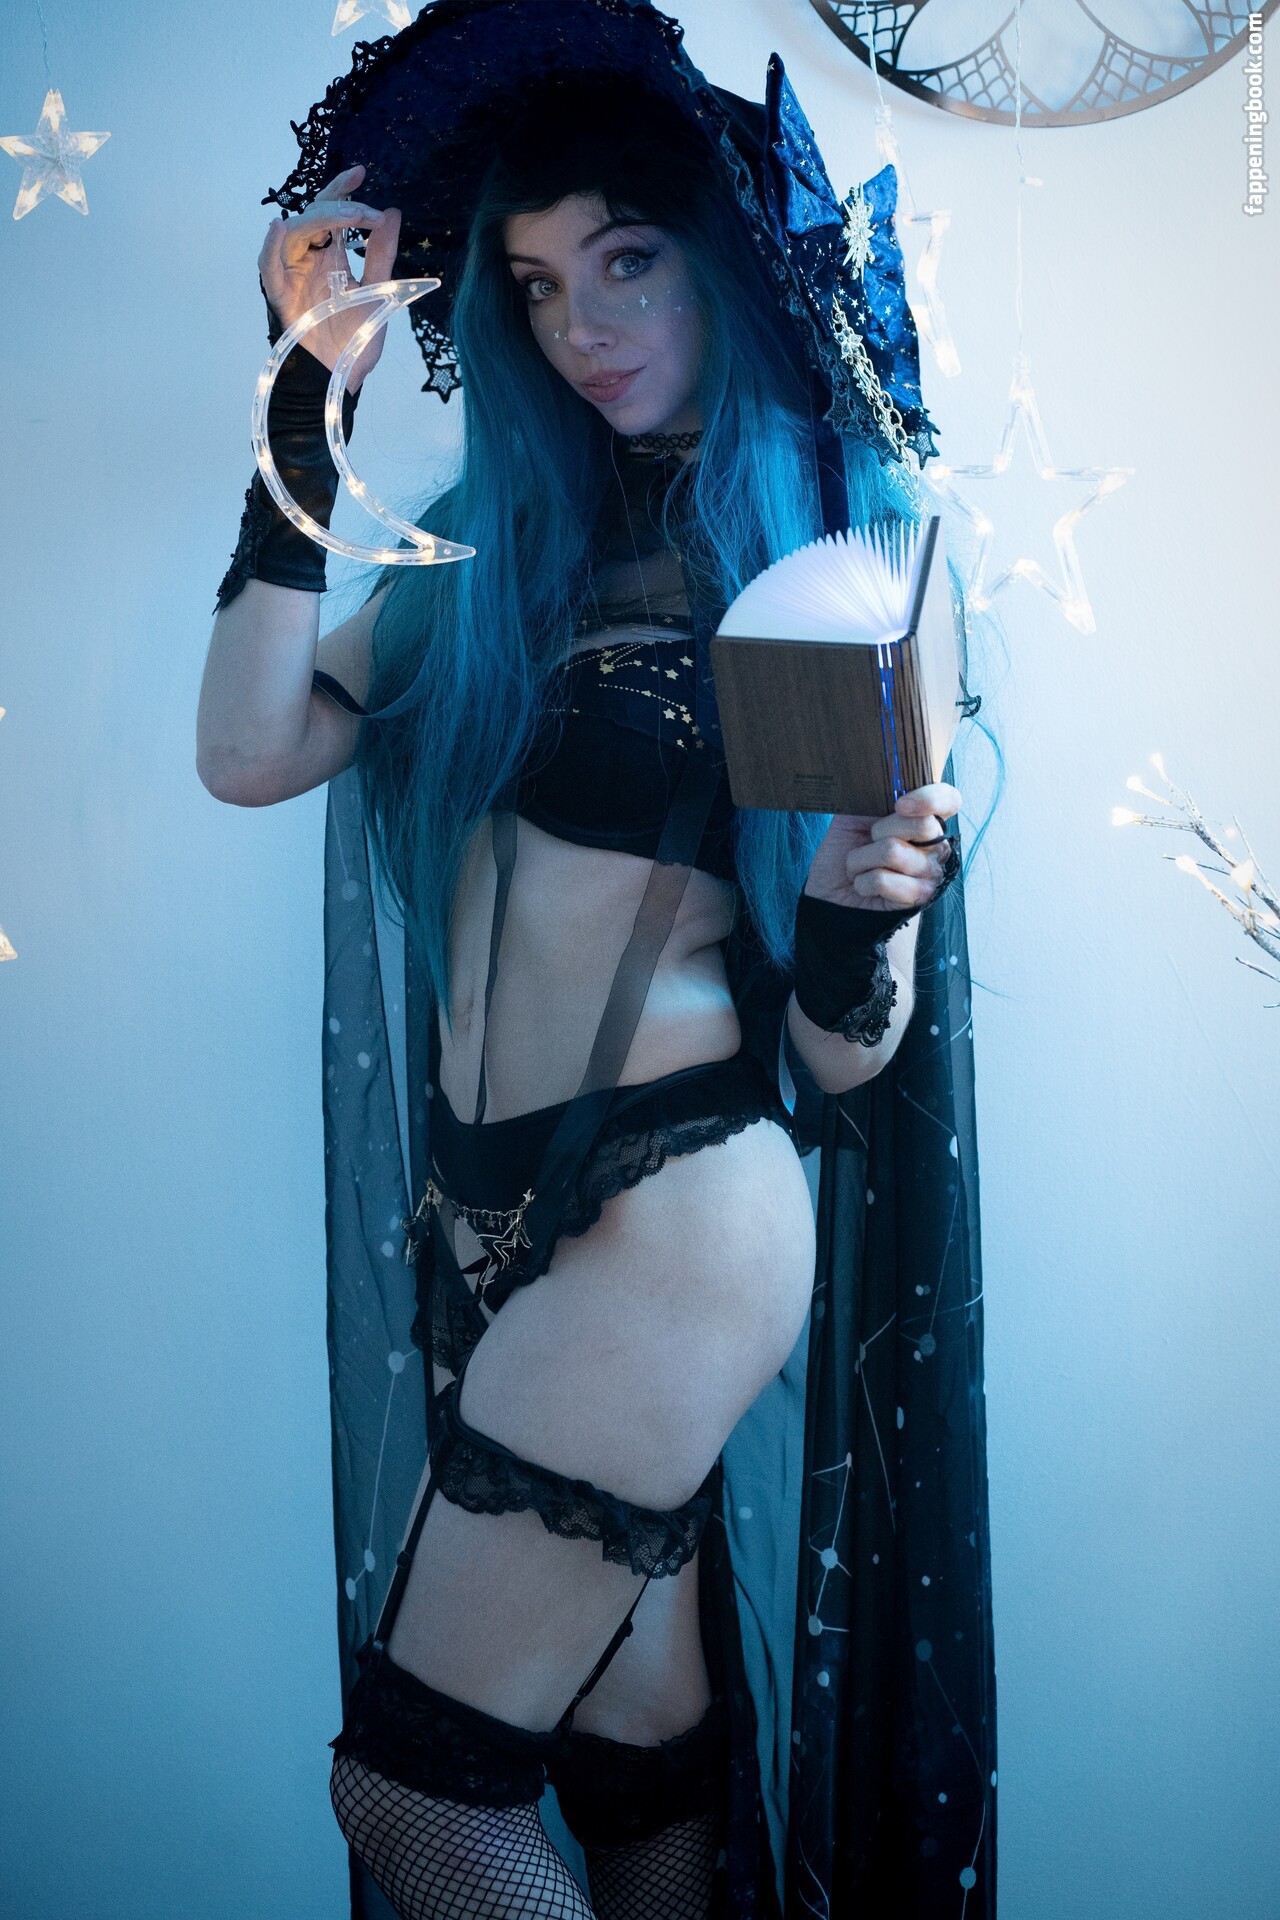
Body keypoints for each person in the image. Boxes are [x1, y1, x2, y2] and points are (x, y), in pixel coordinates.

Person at [198, 6, 997, 1918]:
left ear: (719, 264)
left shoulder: (838, 559)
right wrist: (305, 405)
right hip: (479, 1224)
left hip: (674, 1210)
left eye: (628, 262)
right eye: (542, 284)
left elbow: (844, 1052)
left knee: (420, 1801)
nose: (585, 324)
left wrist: (863, 912)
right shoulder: (496, 545)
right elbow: (247, 747)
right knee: (640, 1792)